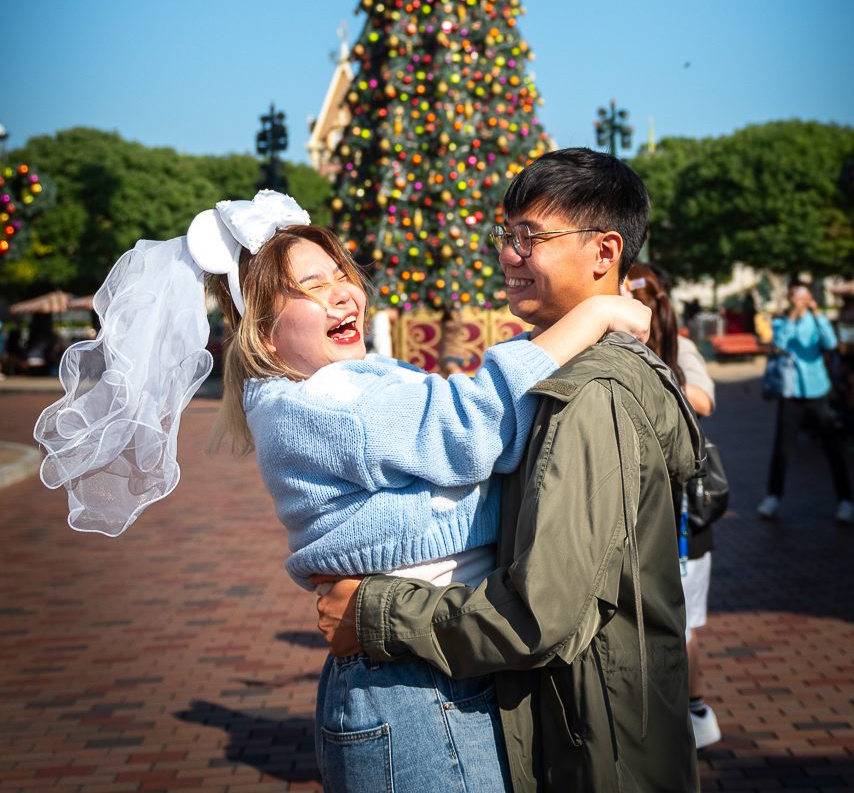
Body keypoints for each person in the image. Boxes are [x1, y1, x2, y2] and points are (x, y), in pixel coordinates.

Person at [33, 187, 650, 793]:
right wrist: (591, 315)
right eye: (309, 288)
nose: (340, 294)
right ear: (266, 334)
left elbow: (471, 417)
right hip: (414, 691)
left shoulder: (351, 381)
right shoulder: (330, 399)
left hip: (423, 666)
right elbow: (469, 423)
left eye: (338, 275)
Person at [317, 148, 703, 793]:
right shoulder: (574, 369)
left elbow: (539, 615)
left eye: (532, 237)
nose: (510, 254)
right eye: (507, 235)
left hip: (593, 745)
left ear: (604, 252)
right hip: (601, 727)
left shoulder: (590, 393)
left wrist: (376, 612)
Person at [626, 262, 721, 750]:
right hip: (637, 510)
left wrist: (653, 380)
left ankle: (696, 707)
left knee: (683, 623)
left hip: (683, 513)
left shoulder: (677, 348)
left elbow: (704, 400)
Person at [758, 279, 853, 524]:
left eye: (805, 296)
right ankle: (773, 496)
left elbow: (830, 344)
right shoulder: (782, 321)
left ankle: (845, 500)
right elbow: (778, 345)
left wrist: (816, 314)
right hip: (791, 393)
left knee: (834, 447)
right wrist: (792, 317)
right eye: (797, 296)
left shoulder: (816, 320)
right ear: (790, 298)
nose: (801, 301)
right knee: (782, 449)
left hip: (817, 391)